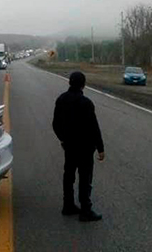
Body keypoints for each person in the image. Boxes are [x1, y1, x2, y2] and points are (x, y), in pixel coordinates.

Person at [52, 72, 105, 222]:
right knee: (85, 177)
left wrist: (63, 139)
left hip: (69, 146)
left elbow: (55, 124)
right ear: (83, 84)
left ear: (69, 82)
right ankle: (85, 210)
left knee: (68, 176)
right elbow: (94, 127)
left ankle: (68, 205)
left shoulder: (61, 99)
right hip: (85, 147)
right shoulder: (86, 103)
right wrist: (100, 148)